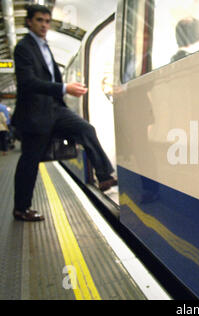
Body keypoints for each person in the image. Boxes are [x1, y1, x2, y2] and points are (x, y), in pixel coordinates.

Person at [11, 4, 117, 222]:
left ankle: (104, 176)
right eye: (40, 20)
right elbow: (28, 82)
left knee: (86, 129)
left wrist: (64, 91)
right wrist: (64, 88)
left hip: (54, 108)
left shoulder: (45, 47)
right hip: (34, 113)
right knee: (29, 161)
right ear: (29, 22)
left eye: (47, 21)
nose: (44, 25)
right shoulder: (23, 48)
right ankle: (21, 208)